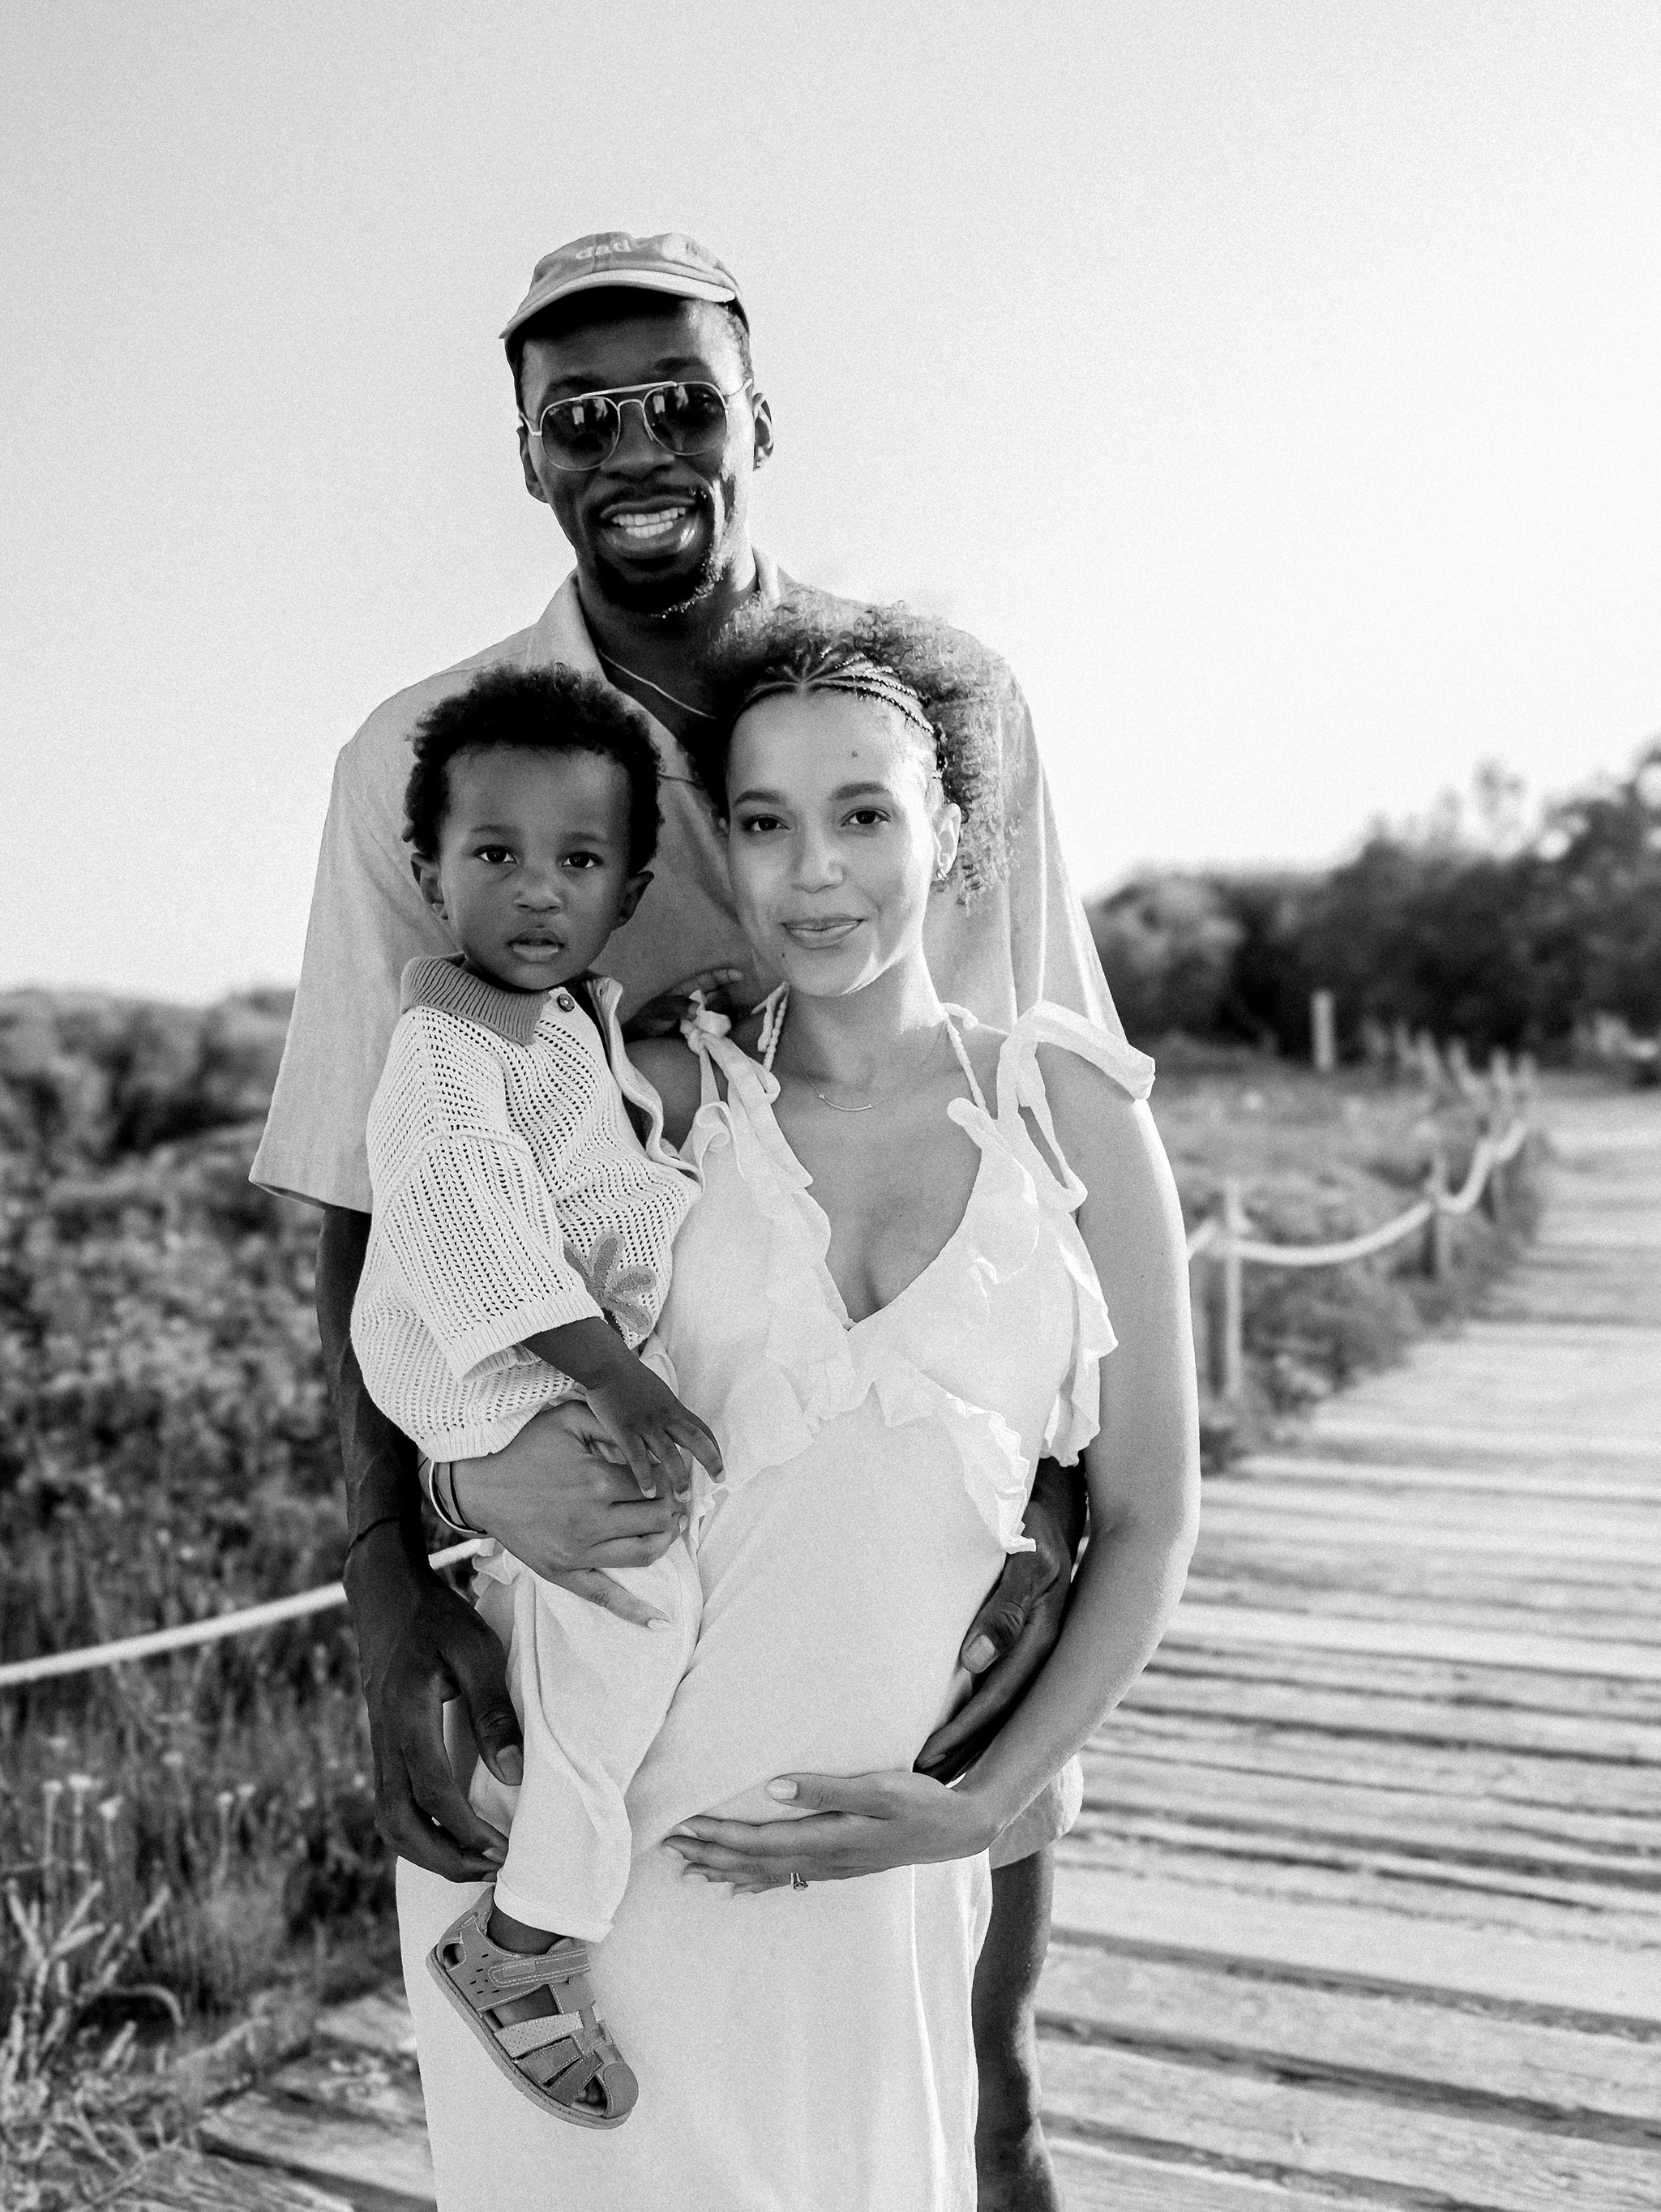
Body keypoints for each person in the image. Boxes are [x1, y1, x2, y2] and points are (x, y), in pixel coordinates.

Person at [252, 230, 1123, 2207]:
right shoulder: (426, 758)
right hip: (604, 1522)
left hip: (916, 1488)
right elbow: (371, 1180)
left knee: (960, 2111)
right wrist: (392, 1580)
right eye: (579, 415)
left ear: (756, 419)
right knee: (637, 2093)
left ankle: (999, 2129)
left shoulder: (929, 707)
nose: (633, 445)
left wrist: (1052, 1518)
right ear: (527, 454)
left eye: (680, 400)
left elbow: (1042, 1111)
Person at [398, 606, 1200, 2208]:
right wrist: (456, 1500)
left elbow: (1150, 1512)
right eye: (762, 824)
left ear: (952, 834)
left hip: (865, 1868)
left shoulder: (1074, 1116)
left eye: (862, 814)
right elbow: (453, 1374)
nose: (813, 872)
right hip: (581, 1891)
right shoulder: (644, 1091)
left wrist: (965, 1804)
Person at [351, 663, 725, 2128]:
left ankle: (543, 1831)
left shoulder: (555, 1024)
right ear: (429, 872)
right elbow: (469, 1224)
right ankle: (524, 1942)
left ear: (628, 888)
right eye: (493, 855)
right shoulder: (442, 1050)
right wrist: (619, 1378)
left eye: (577, 862)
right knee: (641, 1622)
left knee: (615, 1623)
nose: (533, 891)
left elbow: (602, 1158)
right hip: (485, 1369)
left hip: (534, 1371)